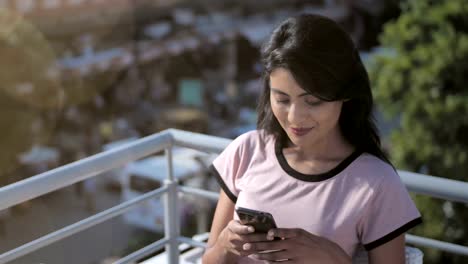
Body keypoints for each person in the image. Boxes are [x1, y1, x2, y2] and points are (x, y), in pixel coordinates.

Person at [202, 14, 422, 264]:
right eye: (282, 99)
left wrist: (331, 257)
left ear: (345, 93)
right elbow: (209, 260)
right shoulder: (247, 150)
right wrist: (225, 245)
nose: (295, 117)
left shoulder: (377, 183)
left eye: (313, 101)